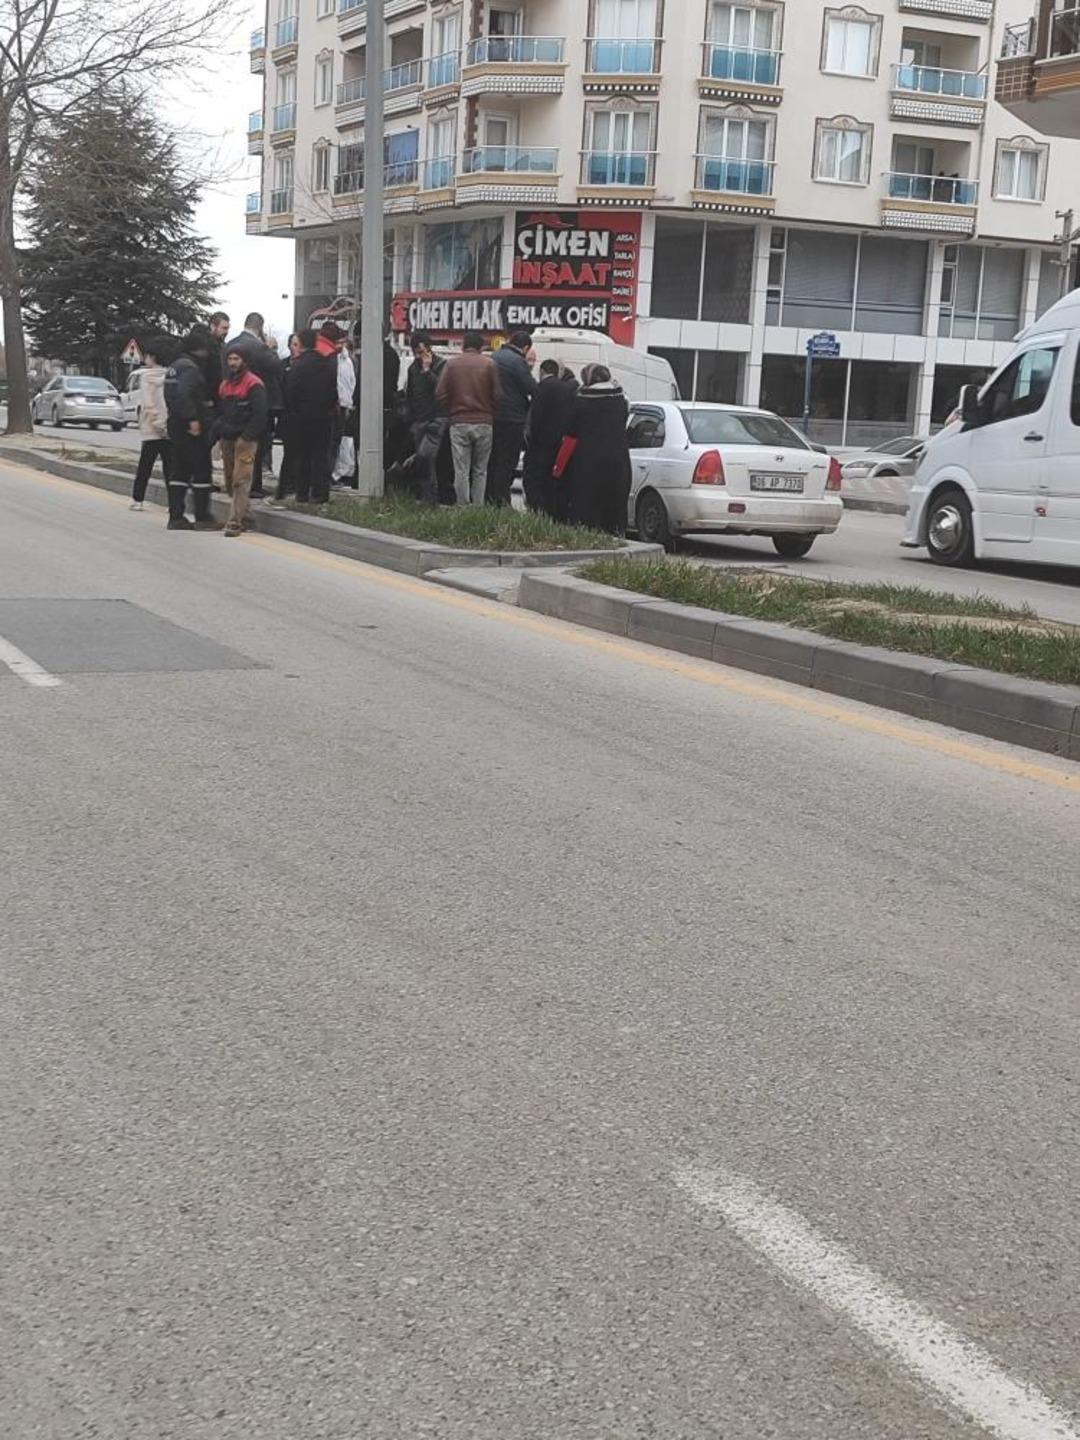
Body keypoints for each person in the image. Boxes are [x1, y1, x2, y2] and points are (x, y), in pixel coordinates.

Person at [561, 364, 632, 535]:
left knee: (588, 502)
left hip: (589, 460)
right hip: (618, 459)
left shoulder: (582, 400)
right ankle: (615, 533)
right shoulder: (621, 400)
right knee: (614, 501)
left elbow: (571, 429)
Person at [163, 331, 223, 531]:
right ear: (200, 349)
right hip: (191, 428)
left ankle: (176, 516)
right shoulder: (190, 368)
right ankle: (202, 517)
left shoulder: (174, 367)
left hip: (175, 425)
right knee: (201, 471)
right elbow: (184, 394)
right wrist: (193, 419)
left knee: (179, 471)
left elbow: (171, 396)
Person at [436, 331, 498, 506]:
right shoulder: (489, 364)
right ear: (480, 347)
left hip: (459, 422)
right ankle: (477, 507)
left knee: (461, 470)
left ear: (464, 345)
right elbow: (498, 395)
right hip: (484, 421)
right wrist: (489, 410)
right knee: (480, 470)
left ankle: (463, 506)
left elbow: (440, 393)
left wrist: (452, 408)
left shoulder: (451, 365)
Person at [225, 312, 283, 497]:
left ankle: (234, 484)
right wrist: (271, 348)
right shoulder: (260, 347)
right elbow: (277, 367)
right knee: (255, 447)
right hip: (258, 402)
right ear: (260, 328)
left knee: (234, 447)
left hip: (233, 402)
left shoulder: (230, 344)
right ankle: (253, 486)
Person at [214, 345, 269, 538]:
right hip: (227, 439)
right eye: (230, 359)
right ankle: (246, 516)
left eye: (236, 359)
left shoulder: (254, 384)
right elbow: (221, 412)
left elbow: (260, 415)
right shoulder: (225, 385)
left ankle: (234, 522)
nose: (232, 363)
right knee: (230, 480)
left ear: (244, 361)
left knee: (241, 480)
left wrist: (246, 437)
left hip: (246, 441)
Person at [283, 328, 338, 505]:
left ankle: (302, 493)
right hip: (322, 416)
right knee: (320, 455)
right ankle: (319, 493)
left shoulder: (297, 365)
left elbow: (290, 392)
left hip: (301, 417)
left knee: (303, 455)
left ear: (301, 343)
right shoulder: (325, 363)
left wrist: (295, 410)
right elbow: (332, 389)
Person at [487, 330, 537, 506]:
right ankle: (501, 500)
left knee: (492, 460)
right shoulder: (518, 362)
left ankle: (489, 498)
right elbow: (531, 387)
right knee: (507, 462)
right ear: (525, 348)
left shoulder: (494, 357)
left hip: (492, 416)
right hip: (512, 419)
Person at [522, 359, 577, 517]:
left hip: (539, 444)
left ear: (541, 371)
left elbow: (535, 418)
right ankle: (548, 513)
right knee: (549, 481)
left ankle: (536, 512)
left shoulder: (540, 388)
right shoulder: (566, 390)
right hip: (557, 444)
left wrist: (529, 440)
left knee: (533, 480)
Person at [129, 338, 173, 510]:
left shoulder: (146, 376)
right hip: (168, 428)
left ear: (152, 357)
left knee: (145, 466)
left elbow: (148, 403)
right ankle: (173, 503)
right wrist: (165, 423)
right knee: (170, 468)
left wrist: (156, 421)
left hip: (151, 428)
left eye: (147, 356)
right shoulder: (170, 375)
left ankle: (138, 500)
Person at [404, 331, 447, 505]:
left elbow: (442, 390)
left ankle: (431, 496)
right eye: (415, 353)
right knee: (424, 463)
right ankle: (426, 495)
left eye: (421, 352)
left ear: (429, 349)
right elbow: (411, 394)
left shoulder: (441, 365)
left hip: (436, 418)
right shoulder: (412, 369)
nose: (418, 356)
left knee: (425, 456)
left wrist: (428, 371)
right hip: (419, 419)